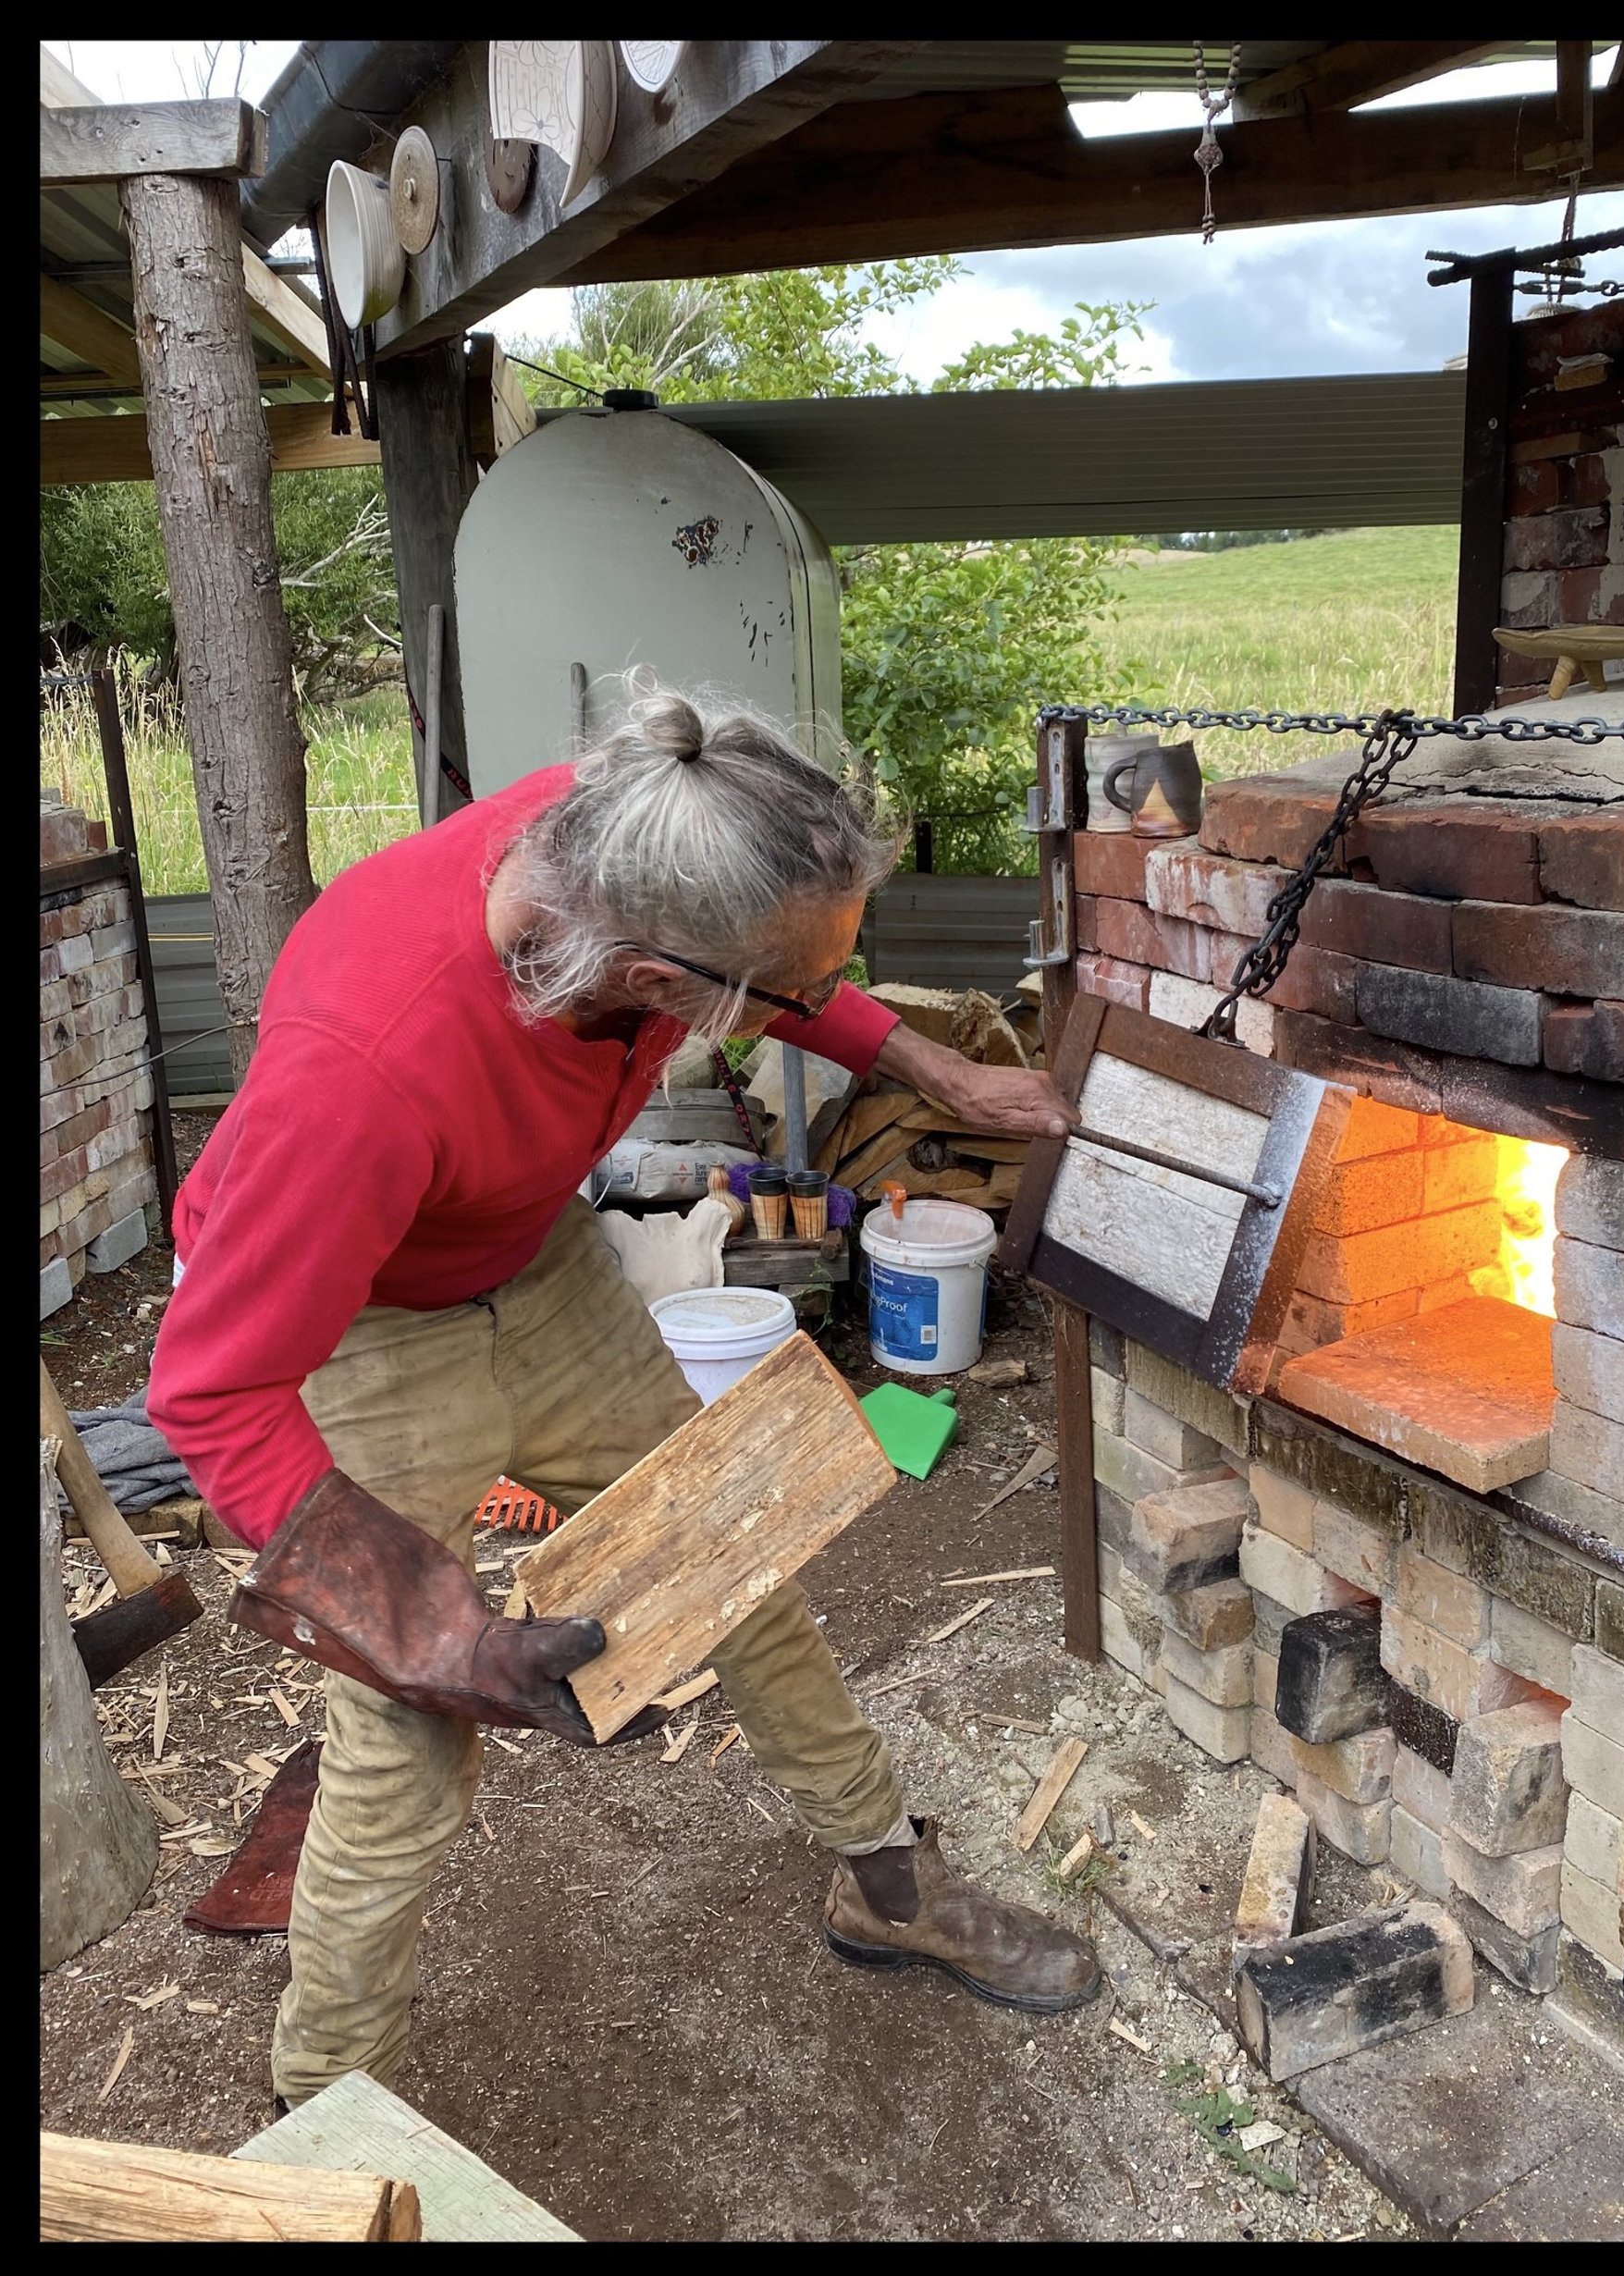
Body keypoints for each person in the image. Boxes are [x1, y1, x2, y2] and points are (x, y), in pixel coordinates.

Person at [148, 685, 1098, 2110]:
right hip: (362, 1324)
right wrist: (430, 1625)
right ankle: (327, 2122)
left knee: (728, 1544)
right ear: (655, 982)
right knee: (407, 1739)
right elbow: (212, 1391)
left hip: (532, 1263)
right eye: (771, 995)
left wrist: (930, 1062)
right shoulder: (360, 1074)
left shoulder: (650, 822)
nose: (816, 1002)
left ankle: (886, 1877)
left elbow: (788, 969)